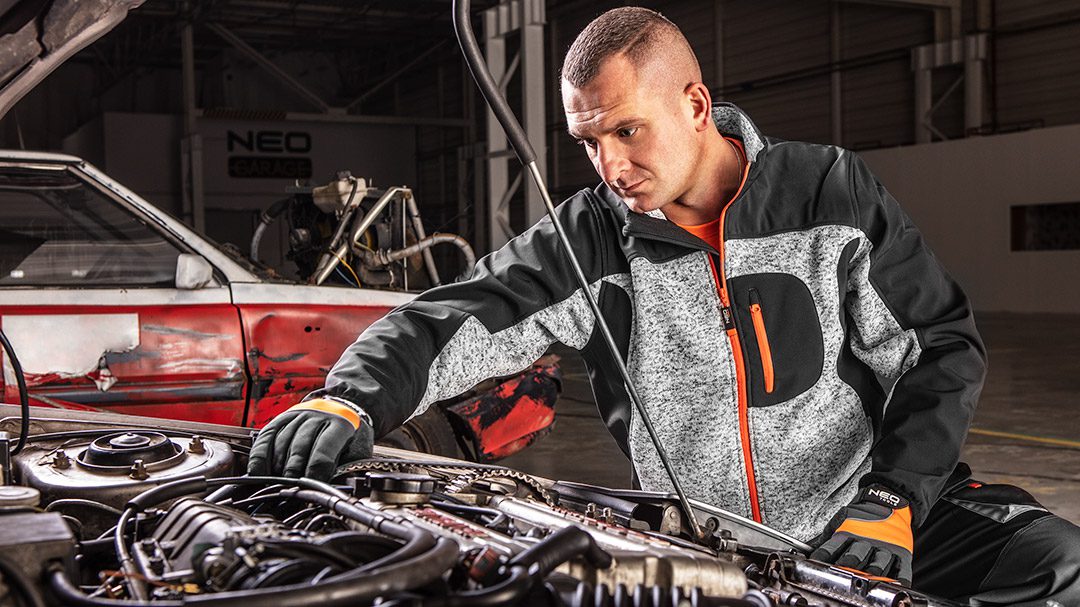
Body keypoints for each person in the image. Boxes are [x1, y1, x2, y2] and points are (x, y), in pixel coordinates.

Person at [247, 7, 1080, 605]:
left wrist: (896, 498)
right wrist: (349, 397)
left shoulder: (828, 192)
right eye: (588, 142)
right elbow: (449, 318)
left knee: (1057, 562)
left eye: (627, 131)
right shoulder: (588, 239)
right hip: (711, 548)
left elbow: (937, 344)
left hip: (867, 517)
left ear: (695, 104)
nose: (609, 167)